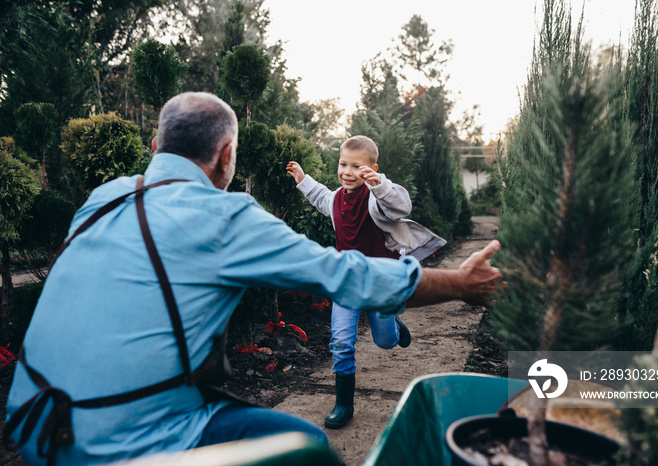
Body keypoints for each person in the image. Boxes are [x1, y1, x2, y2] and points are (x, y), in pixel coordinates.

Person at [5, 92, 503, 466]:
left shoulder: (103, 196)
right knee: (307, 448)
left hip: (29, 421)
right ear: (226, 157)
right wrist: (459, 282)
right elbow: (345, 276)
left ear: (157, 146)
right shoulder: (224, 216)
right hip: (113, 445)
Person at [286, 135, 446, 428]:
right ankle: (343, 404)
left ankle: (393, 327)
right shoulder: (336, 198)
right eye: (342, 164)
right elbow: (321, 197)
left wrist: (380, 183)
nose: (347, 172)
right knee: (341, 341)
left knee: (384, 342)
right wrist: (302, 179)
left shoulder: (378, 199)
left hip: (380, 281)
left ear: (372, 168)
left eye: (356, 166)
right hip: (346, 280)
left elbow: (402, 205)